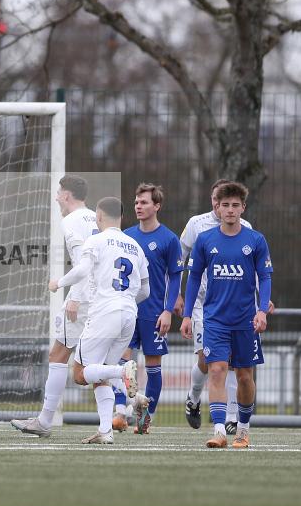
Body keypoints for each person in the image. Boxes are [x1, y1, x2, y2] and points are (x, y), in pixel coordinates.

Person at [49, 196, 149, 445]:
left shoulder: (96, 240)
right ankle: (106, 430)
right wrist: (125, 302)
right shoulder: (135, 246)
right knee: (98, 375)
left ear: (99, 217)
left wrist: (58, 283)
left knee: (81, 374)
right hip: (129, 314)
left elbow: (82, 270)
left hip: (105, 312)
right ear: (122, 218)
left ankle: (122, 371)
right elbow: (146, 291)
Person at [181, 181, 272, 449]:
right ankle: (219, 430)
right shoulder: (205, 240)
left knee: (244, 376)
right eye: (225, 205)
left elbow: (264, 277)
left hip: (245, 320)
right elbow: (194, 278)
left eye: (235, 205)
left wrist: (262, 309)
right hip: (215, 320)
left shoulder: (255, 240)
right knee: (217, 370)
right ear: (217, 208)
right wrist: (187, 315)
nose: (230, 210)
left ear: (243, 208)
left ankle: (243, 429)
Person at [10, 175, 99, 438]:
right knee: (95, 365)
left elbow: (85, 264)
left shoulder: (70, 221)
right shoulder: (96, 216)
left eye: (59, 192)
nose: (56, 197)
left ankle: (45, 421)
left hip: (83, 298)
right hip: (103, 298)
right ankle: (129, 402)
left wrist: (74, 296)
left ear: (68, 195)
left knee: (58, 356)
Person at [121, 183, 183, 434]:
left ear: (157, 206)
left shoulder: (169, 239)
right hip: (126, 311)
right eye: (136, 202)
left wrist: (168, 310)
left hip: (154, 313)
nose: (138, 206)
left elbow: (176, 277)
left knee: (153, 366)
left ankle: (147, 416)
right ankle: (119, 413)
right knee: (122, 363)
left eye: (144, 202)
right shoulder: (126, 236)